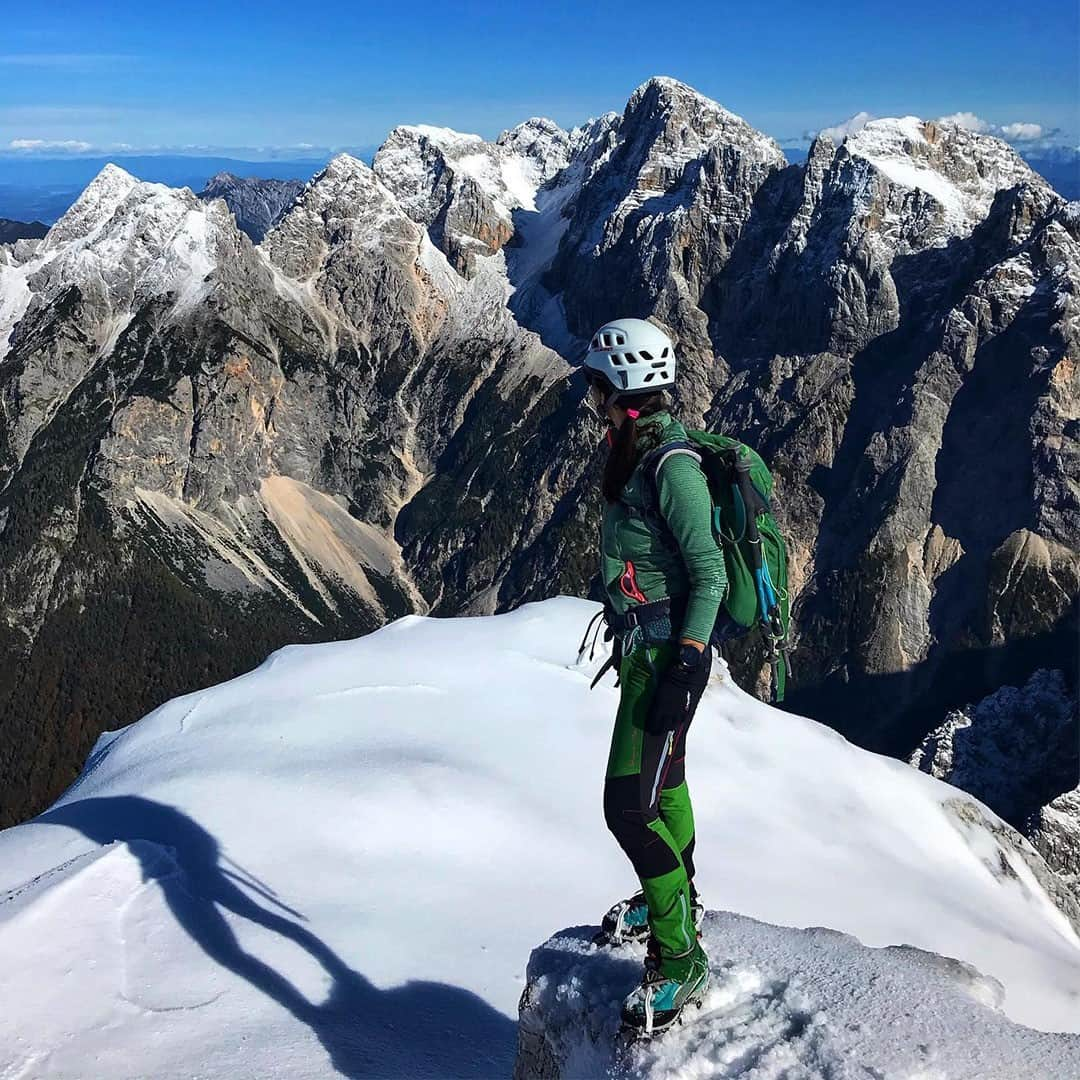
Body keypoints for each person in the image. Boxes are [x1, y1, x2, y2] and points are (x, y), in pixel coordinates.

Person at [583, 317, 727, 1035]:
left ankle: (679, 960)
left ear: (626, 387)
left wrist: (688, 663)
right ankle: (673, 895)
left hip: (667, 657)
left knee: (626, 808)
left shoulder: (671, 466)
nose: (592, 395)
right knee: (661, 784)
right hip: (651, 651)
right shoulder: (635, 451)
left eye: (598, 384)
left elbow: (711, 573)